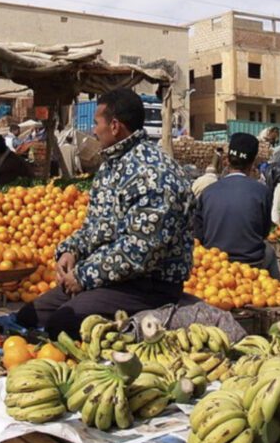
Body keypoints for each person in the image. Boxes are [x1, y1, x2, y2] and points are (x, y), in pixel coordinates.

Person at [16, 89, 192, 339]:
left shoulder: (154, 173)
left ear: (115, 126)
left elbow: (140, 251)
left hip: (147, 286)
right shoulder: (112, 166)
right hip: (109, 278)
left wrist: (85, 276)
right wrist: (71, 250)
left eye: (97, 123)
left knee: (63, 324)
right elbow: (97, 228)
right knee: (28, 317)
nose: (94, 130)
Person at [194, 133, 280, 278]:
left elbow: (198, 234)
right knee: (269, 251)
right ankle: (276, 289)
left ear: (227, 160)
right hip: (251, 264)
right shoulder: (262, 191)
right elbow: (264, 232)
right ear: (252, 163)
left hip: (215, 264)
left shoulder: (208, 192)